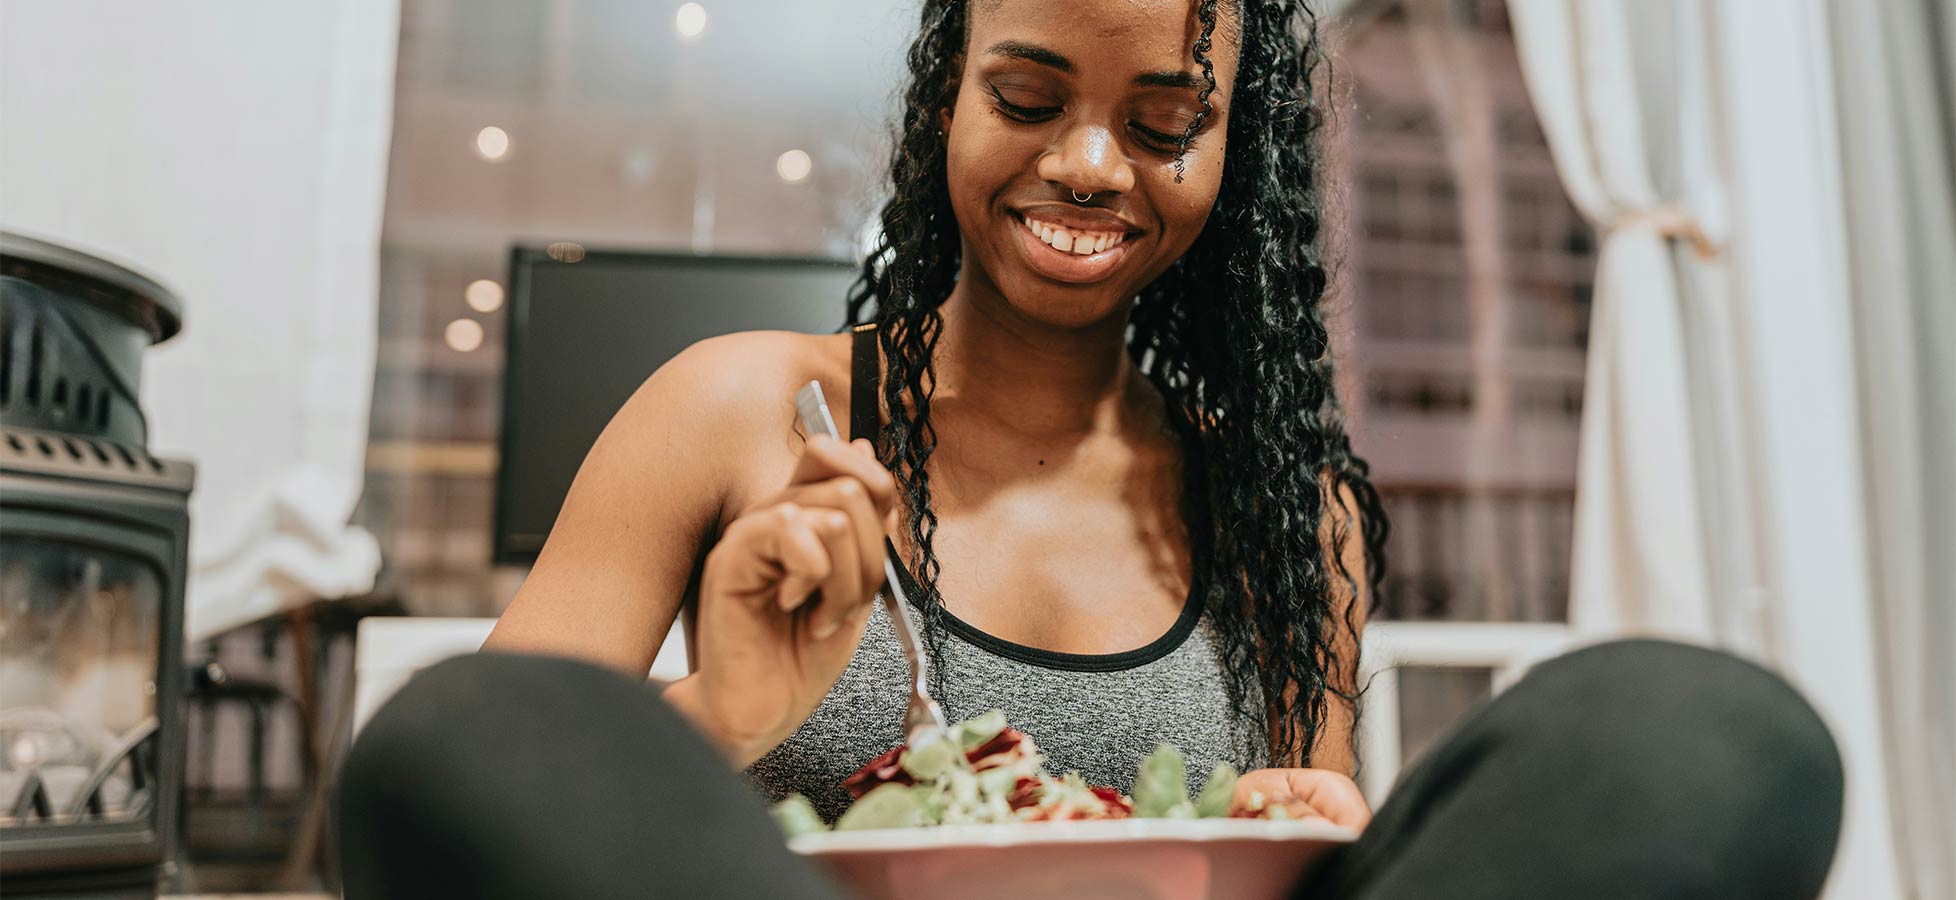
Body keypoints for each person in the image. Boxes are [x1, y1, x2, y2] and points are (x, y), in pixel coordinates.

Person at [339, 0, 1844, 896]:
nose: (1084, 163)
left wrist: (1314, 826)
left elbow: (1289, 838)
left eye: (1162, 119)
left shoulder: (1282, 507)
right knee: (460, 724)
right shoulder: (741, 411)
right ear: (950, 98)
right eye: (1029, 96)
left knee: (1708, 737)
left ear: (1227, 151)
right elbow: (438, 812)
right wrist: (724, 708)